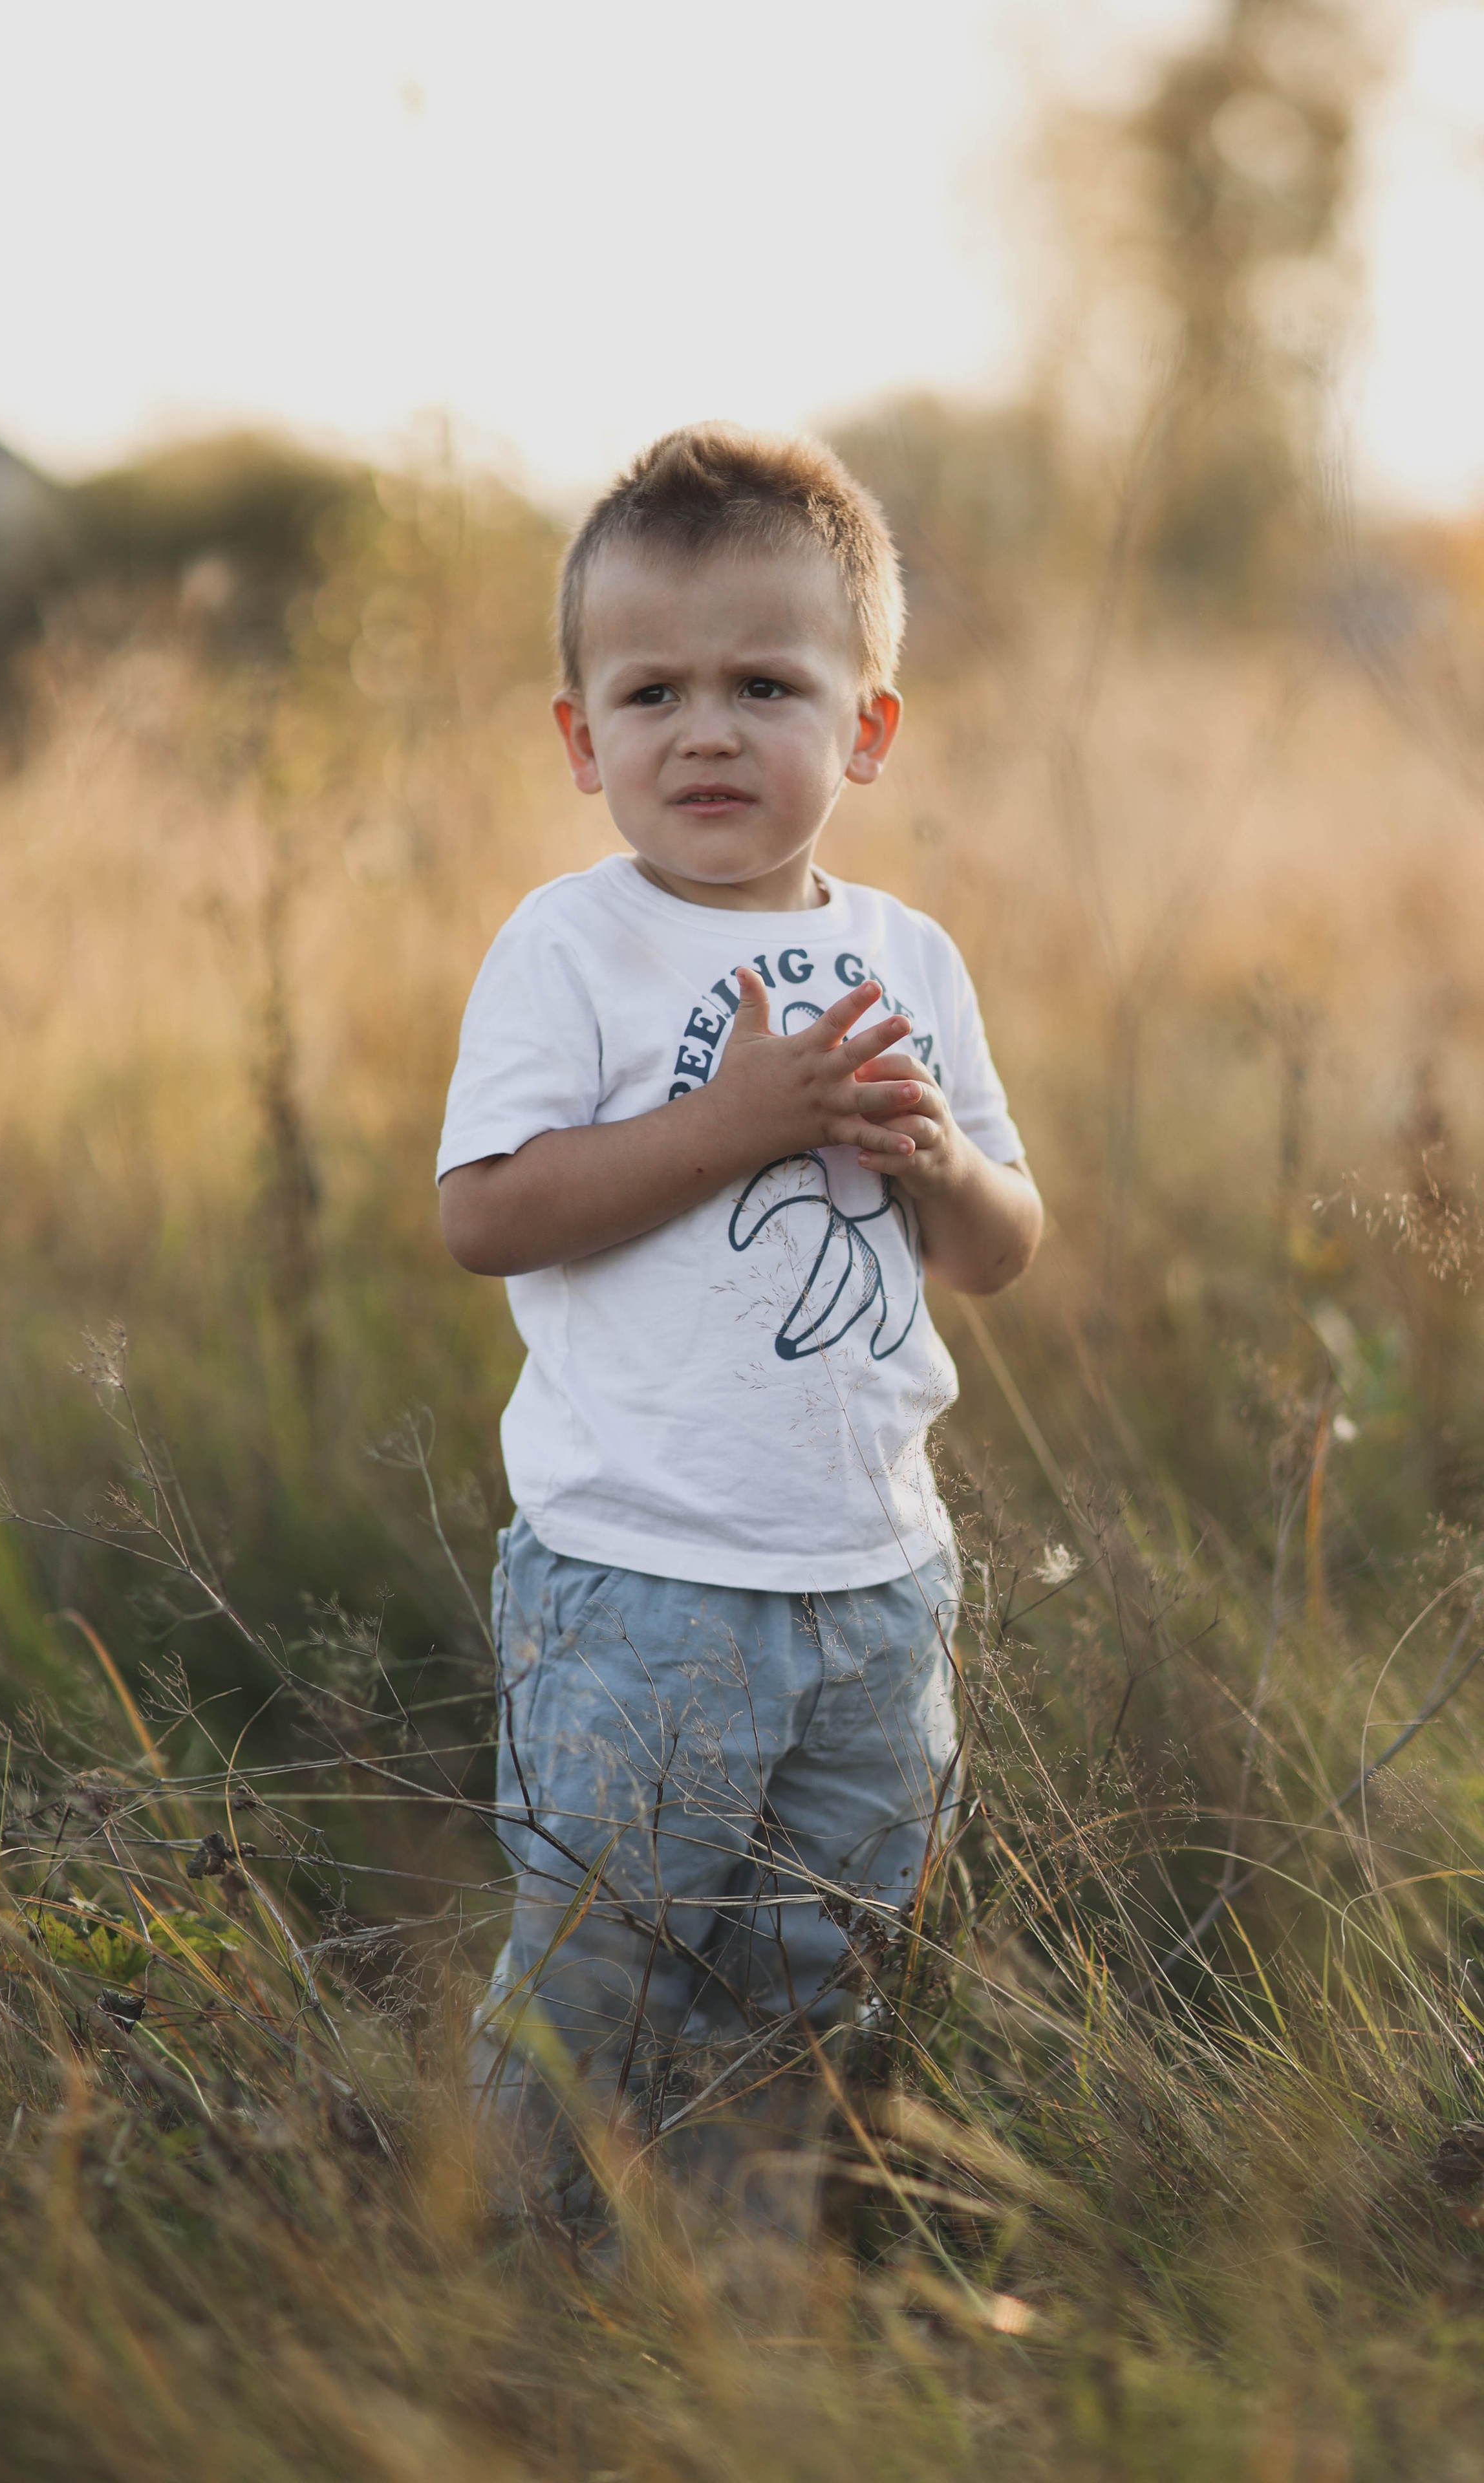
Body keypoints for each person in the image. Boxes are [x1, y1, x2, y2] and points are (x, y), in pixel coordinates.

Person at [437, 424, 1041, 2224]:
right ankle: (498, 2267)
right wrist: (745, 1120)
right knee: (600, 1966)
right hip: (643, 1583)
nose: (706, 729)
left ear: (867, 726)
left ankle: (717, 2284)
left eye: (765, 682)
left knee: (805, 1974)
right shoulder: (575, 947)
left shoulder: (911, 960)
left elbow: (1003, 1249)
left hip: (871, 1585)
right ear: (582, 737)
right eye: (653, 691)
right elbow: (486, 1212)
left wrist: (933, 1155)